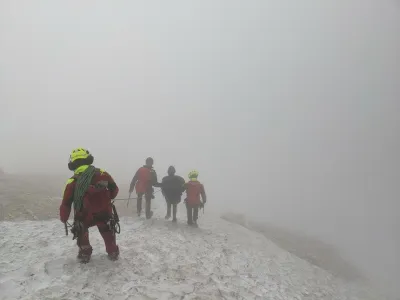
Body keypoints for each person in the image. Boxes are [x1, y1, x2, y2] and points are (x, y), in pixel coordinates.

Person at [59, 148, 120, 263]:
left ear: (72, 163)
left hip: (83, 214)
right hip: (104, 212)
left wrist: (64, 218)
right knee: (107, 231)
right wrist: (108, 197)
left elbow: (66, 203)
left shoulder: (72, 181)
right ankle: (113, 252)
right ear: (88, 159)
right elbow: (114, 190)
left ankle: (85, 254)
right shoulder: (103, 173)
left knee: (81, 232)